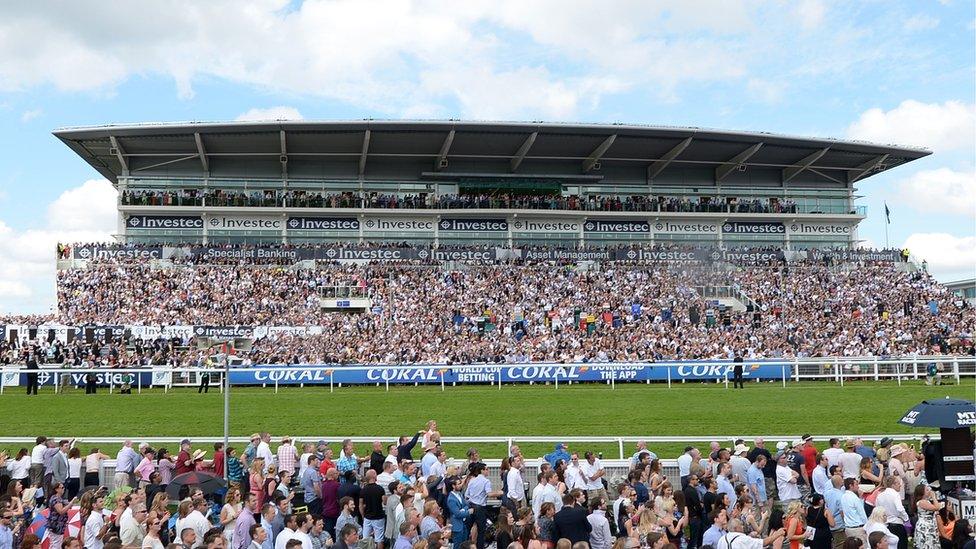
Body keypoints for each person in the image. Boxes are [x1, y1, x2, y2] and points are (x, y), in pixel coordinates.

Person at [715, 518, 785, 549]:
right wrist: (778, 534)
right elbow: (764, 542)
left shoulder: (722, 539)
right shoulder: (743, 539)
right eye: (741, 525)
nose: (742, 527)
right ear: (736, 528)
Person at [360, 470, 386, 549]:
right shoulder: (380, 489)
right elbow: (384, 502)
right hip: (379, 517)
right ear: (374, 476)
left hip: (367, 517)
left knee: (365, 539)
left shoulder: (363, 490)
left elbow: (360, 505)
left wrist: (363, 516)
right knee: (379, 539)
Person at [840, 478, 868, 546]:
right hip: (858, 529)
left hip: (848, 528)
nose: (858, 486)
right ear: (850, 486)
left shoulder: (843, 496)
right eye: (856, 484)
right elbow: (862, 514)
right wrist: (867, 526)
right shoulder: (854, 498)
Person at [913, 484, 942, 549]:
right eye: (927, 490)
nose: (929, 491)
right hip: (925, 527)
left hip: (930, 525)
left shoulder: (927, 501)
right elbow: (937, 507)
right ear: (922, 492)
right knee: (927, 545)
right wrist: (934, 497)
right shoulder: (922, 502)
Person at [445, 477, 469, 549]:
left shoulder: (460, 494)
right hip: (457, 526)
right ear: (453, 486)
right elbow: (457, 514)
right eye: (458, 484)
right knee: (457, 546)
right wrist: (468, 512)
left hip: (463, 524)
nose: (460, 485)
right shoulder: (451, 499)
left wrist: (463, 510)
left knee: (465, 545)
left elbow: (466, 505)